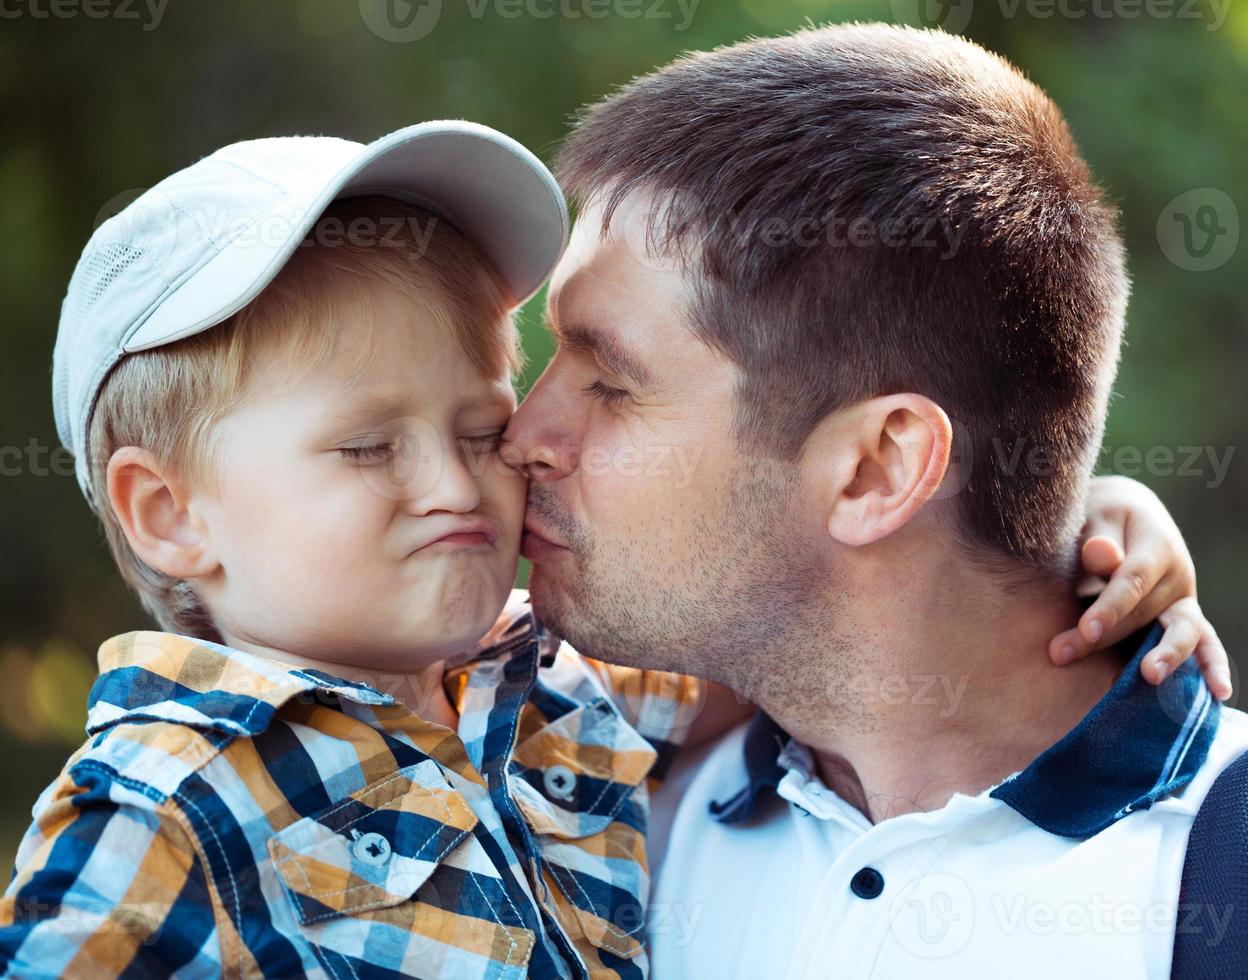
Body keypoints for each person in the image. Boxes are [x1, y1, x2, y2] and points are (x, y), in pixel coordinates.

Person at [499, 24, 1243, 977]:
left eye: (610, 382)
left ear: (880, 470)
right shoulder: (591, 799)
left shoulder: (1215, 876)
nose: (525, 437)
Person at [0, 123, 704, 979]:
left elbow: (768, 654)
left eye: (483, 431)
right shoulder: (160, 806)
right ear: (171, 515)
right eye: (368, 447)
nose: (454, 481)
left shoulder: (559, 678)